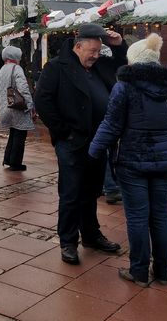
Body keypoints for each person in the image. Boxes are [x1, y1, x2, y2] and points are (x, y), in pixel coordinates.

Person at [89, 33, 167, 287]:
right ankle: (163, 273)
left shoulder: (125, 86)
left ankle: (139, 271)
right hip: (164, 162)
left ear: (134, 61)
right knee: (161, 217)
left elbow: (111, 124)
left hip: (133, 161)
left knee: (138, 218)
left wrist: (94, 151)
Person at [34, 23, 127, 265]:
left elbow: (122, 67)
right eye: (92, 51)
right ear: (78, 46)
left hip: (98, 141)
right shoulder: (57, 67)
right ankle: (68, 242)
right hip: (72, 142)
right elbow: (43, 101)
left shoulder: (98, 66)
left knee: (92, 192)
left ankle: (91, 235)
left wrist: (118, 47)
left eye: (99, 51)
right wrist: (64, 132)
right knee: (71, 194)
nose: (96, 56)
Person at [0, 46, 34, 171]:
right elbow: (23, 88)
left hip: (6, 106)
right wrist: (30, 105)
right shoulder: (16, 69)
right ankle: (15, 162)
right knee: (20, 134)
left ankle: (8, 158)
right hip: (17, 107)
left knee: (13, 133)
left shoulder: (2, 69)